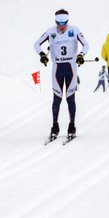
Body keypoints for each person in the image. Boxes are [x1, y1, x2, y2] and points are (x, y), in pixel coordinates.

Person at [34, 9, 88, 140]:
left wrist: (81, 55)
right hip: (57, 68)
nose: (61, 26)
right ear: (55, 21)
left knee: (70, 98)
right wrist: (42, 55)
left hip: (71, 68)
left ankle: (72, 126)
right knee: (57, 99)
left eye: (64, 23)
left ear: (67, 21)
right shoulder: (50, 31)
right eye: (59, 23)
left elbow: (86, 45)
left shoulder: (74, 30)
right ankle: (55, 126)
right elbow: (36, 44)